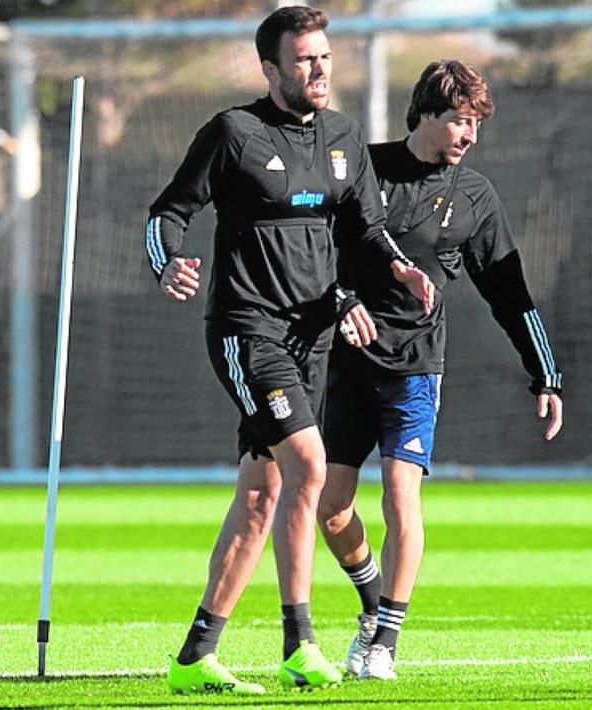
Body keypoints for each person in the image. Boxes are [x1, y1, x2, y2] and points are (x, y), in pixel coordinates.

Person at [145, 5, 435, 695]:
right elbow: (169, 212)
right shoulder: (233, 133)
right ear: (271, 69)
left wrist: (396, 268)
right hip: (248, 331)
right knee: (308, 465)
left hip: (314, 339)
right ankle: (300, 643)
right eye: (304, 59)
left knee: (261, 494)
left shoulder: (343, 136)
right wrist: (168, 262)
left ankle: (194, 658)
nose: (319, 68)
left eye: (325, 56)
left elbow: (366, 228)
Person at [316, 60, 565, 681]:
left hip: (416, 368)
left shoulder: (475, 195)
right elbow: (311, 251)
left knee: (401, 496)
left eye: (477, 123)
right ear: (425, 114)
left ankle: (385, 643)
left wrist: (546, 372)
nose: (469, 134)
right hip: (346, 364)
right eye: (459, 119)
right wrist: (339, 302)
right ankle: (373, 606)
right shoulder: (363, 168)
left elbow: (508, 290)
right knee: (332, 510)